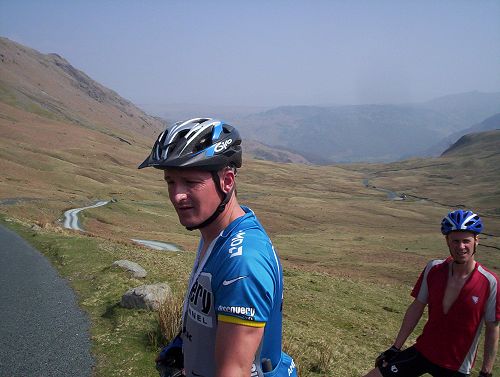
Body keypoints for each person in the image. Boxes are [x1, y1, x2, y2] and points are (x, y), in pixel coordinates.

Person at [138, 118, 297, 377]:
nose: (177, 195)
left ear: (227, 181)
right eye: (170, 182)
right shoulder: (216, 235)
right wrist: (185, 345)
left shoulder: (242, 264)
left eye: (190, 182)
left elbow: (234, 372)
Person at [363, 209, 499, 377]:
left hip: (456, 365)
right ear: (447, 241)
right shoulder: (434, 269)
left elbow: (492, 328)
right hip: (423, 352)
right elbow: (417, 307)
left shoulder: (490, 282)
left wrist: (486, 371)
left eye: (466, 241)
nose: (461, 246)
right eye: (455, 241)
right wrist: (395, 347)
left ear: (476, 240)